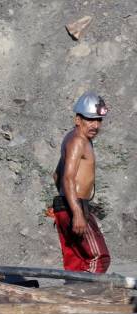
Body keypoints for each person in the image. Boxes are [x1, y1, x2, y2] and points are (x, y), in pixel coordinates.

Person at [51, 91, 110, 273]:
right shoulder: (78, 141)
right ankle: (86, 297)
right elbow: (67, 177)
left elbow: (56, 175)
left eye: (98, 120)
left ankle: (71, 298)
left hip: (66, 206)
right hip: (75, 207)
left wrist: (62, 206)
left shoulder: (73, 138)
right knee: (98, 258)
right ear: (78, 119)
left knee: (76, 263)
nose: (95, 125)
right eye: (90, 119)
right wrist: (76, 212)